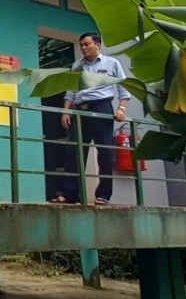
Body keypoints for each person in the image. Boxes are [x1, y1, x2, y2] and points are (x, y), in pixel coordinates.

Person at [51, 32, 131, 205]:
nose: (83, 48)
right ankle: (70, 194)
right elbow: (71, 91)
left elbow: (124, 90)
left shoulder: (112, 63)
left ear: (98, 45)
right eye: (81, 45)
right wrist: (66, 112)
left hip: (102, 108)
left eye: (87, 44)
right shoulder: (77, 66)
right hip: (80, 110)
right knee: (74, 153)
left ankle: (103, 195)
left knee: (105, 153)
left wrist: (121, 109)